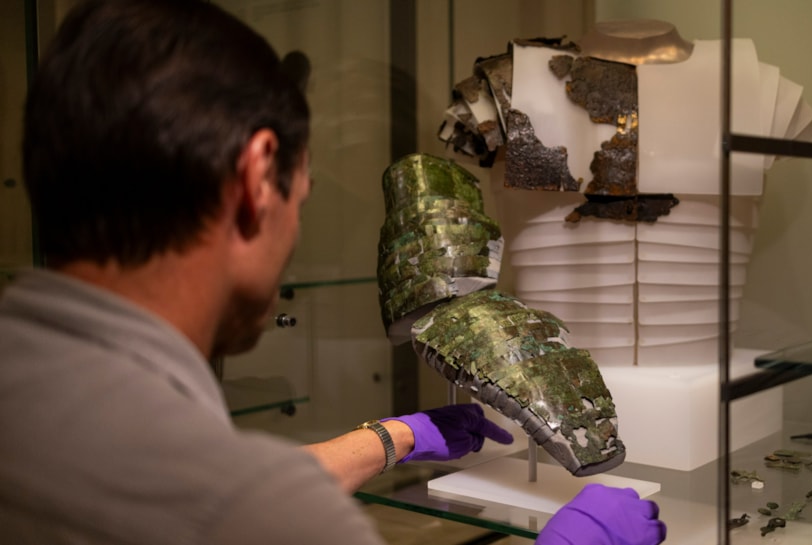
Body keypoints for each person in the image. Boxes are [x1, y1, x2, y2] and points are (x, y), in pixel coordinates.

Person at [0, 1, 667, 544]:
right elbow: (223, 497)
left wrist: (382, 439)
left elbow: (169, 479)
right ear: (259, 179)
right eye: (304, 195)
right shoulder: (245, 506)